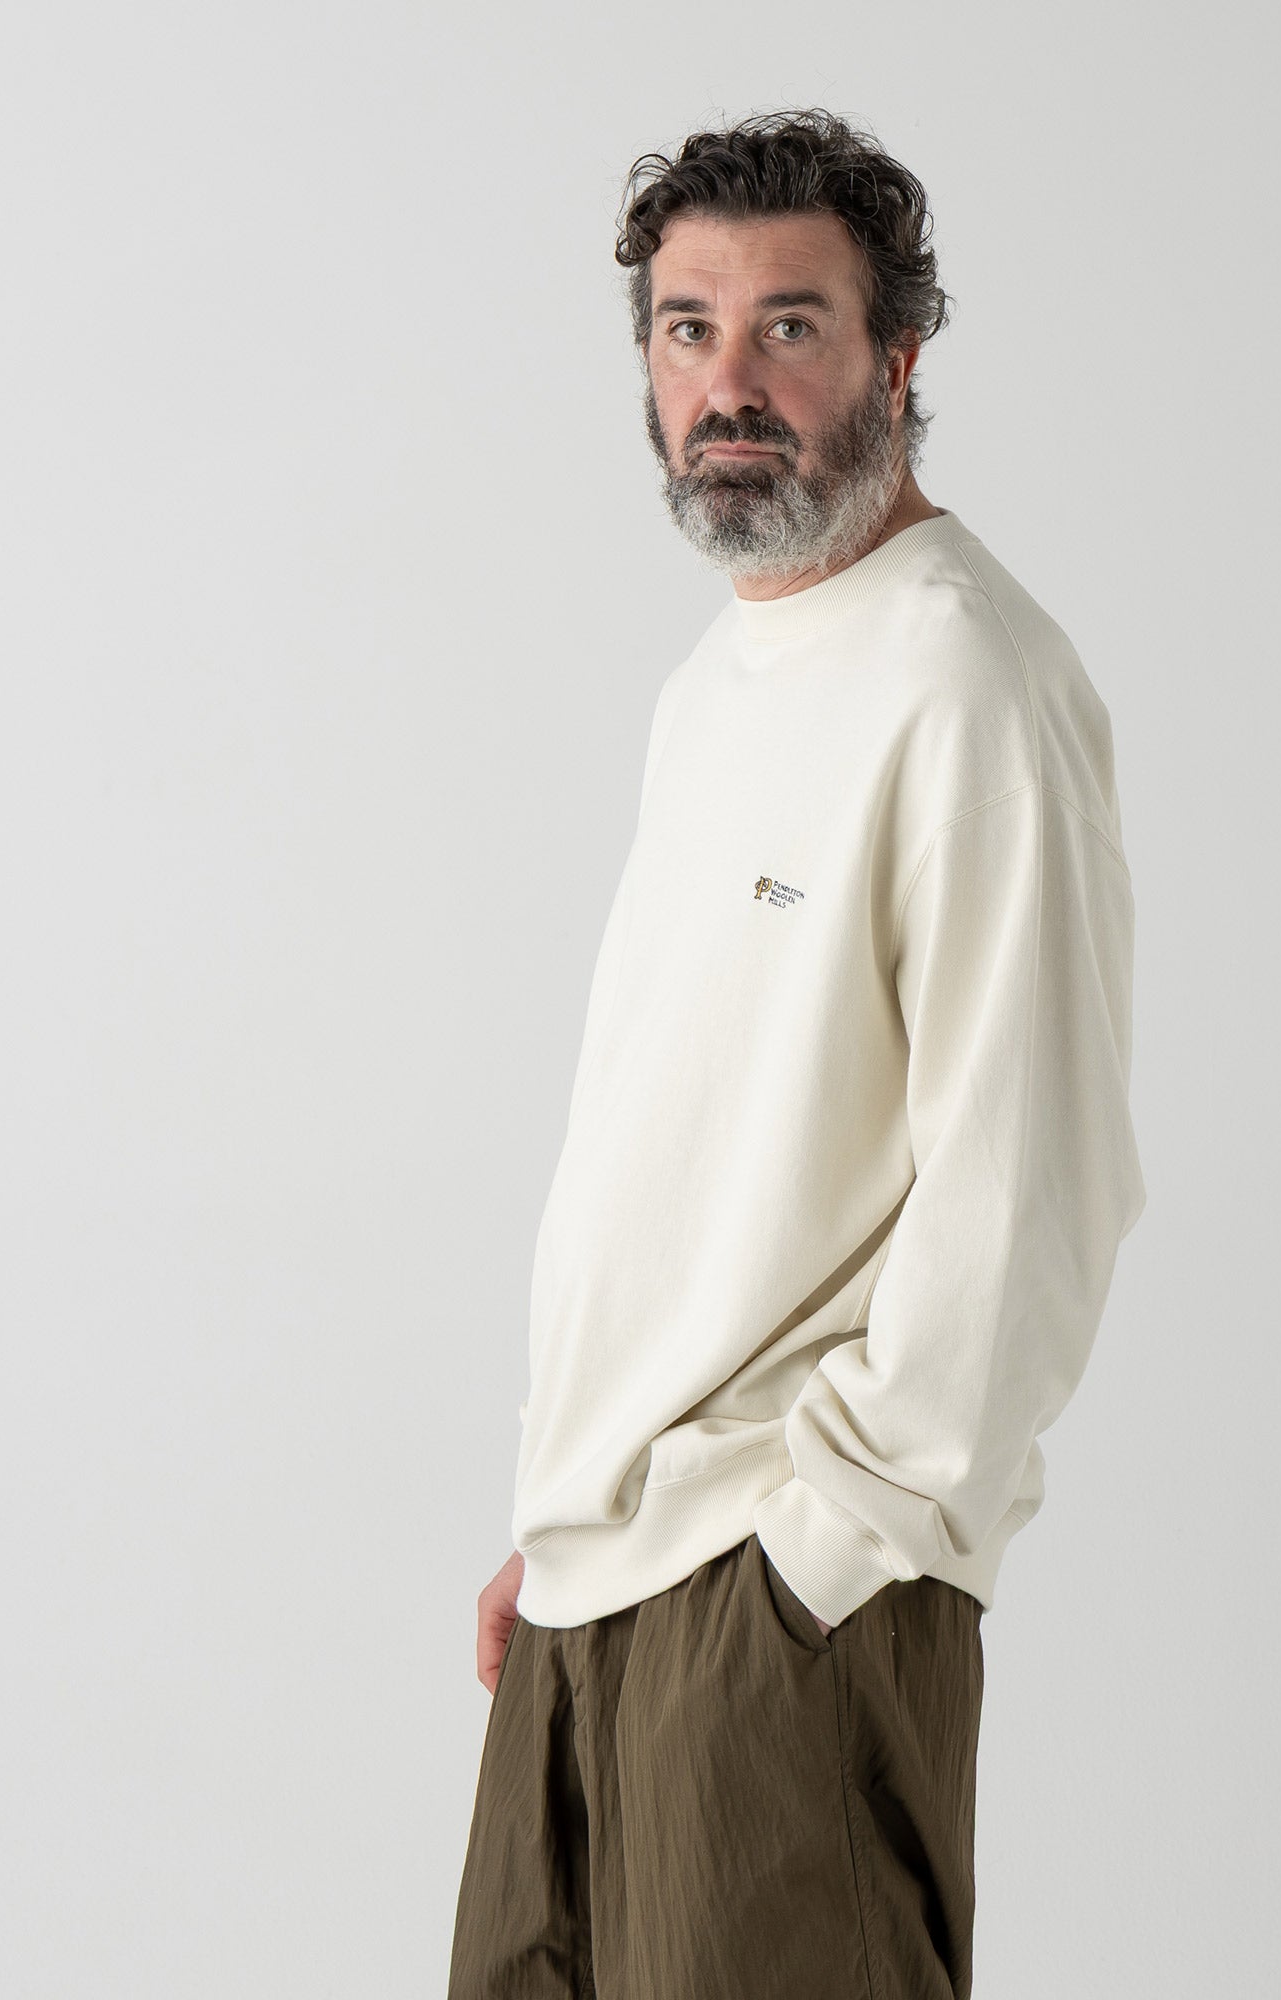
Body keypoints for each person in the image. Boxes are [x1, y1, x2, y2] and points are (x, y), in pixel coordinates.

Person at [447, 108, 1146, 2000]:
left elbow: (1036, 1188)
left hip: (781, 1612)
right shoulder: (717, 683)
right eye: (689, 330)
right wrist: (576, 1520)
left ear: (897, 360)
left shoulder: (968, 683)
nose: (729, 384)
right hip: (600, 1583)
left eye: (791, 327)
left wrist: (816, 1559)